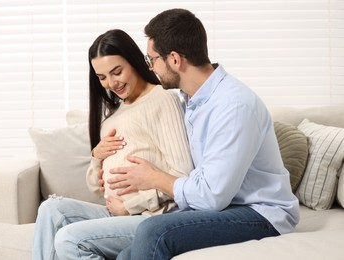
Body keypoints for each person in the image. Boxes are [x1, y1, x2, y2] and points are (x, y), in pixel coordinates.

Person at [106, 9, 300, 260]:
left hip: (260, 214)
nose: (150, 67)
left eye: (152, 59)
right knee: (125, 255)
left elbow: (212, 196)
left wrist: (154, 178)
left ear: (174, 59)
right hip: (229, 206)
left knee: (153, 232)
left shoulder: (233, 105)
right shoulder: (192, 100)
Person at [32, 29, 193, 260]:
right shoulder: (114, 114)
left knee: (68, 239)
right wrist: (96, 158)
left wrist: (132, 205)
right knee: (50, 209)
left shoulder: (161, 99)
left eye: (117, 72)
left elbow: (182, 176)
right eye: (102, 77)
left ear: (134, 61)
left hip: (149, 217)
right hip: (115, 212)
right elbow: (97, 188)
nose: (111, 83)